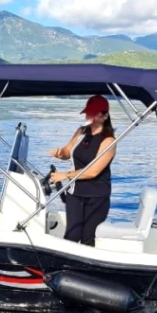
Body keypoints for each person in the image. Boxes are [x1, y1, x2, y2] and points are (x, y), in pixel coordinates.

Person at [49, 95, 116, 246]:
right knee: (72, 235)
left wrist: (64, 175)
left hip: (97, 196)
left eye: (93, 113)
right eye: (88, 112)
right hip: (75, 192)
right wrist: (59, 153)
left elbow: (92, 171)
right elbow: (67, 152)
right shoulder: (81, 132)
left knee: (87, 237)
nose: (89, 116)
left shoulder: (109, 141)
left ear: (104, 116)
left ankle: (86, 268)